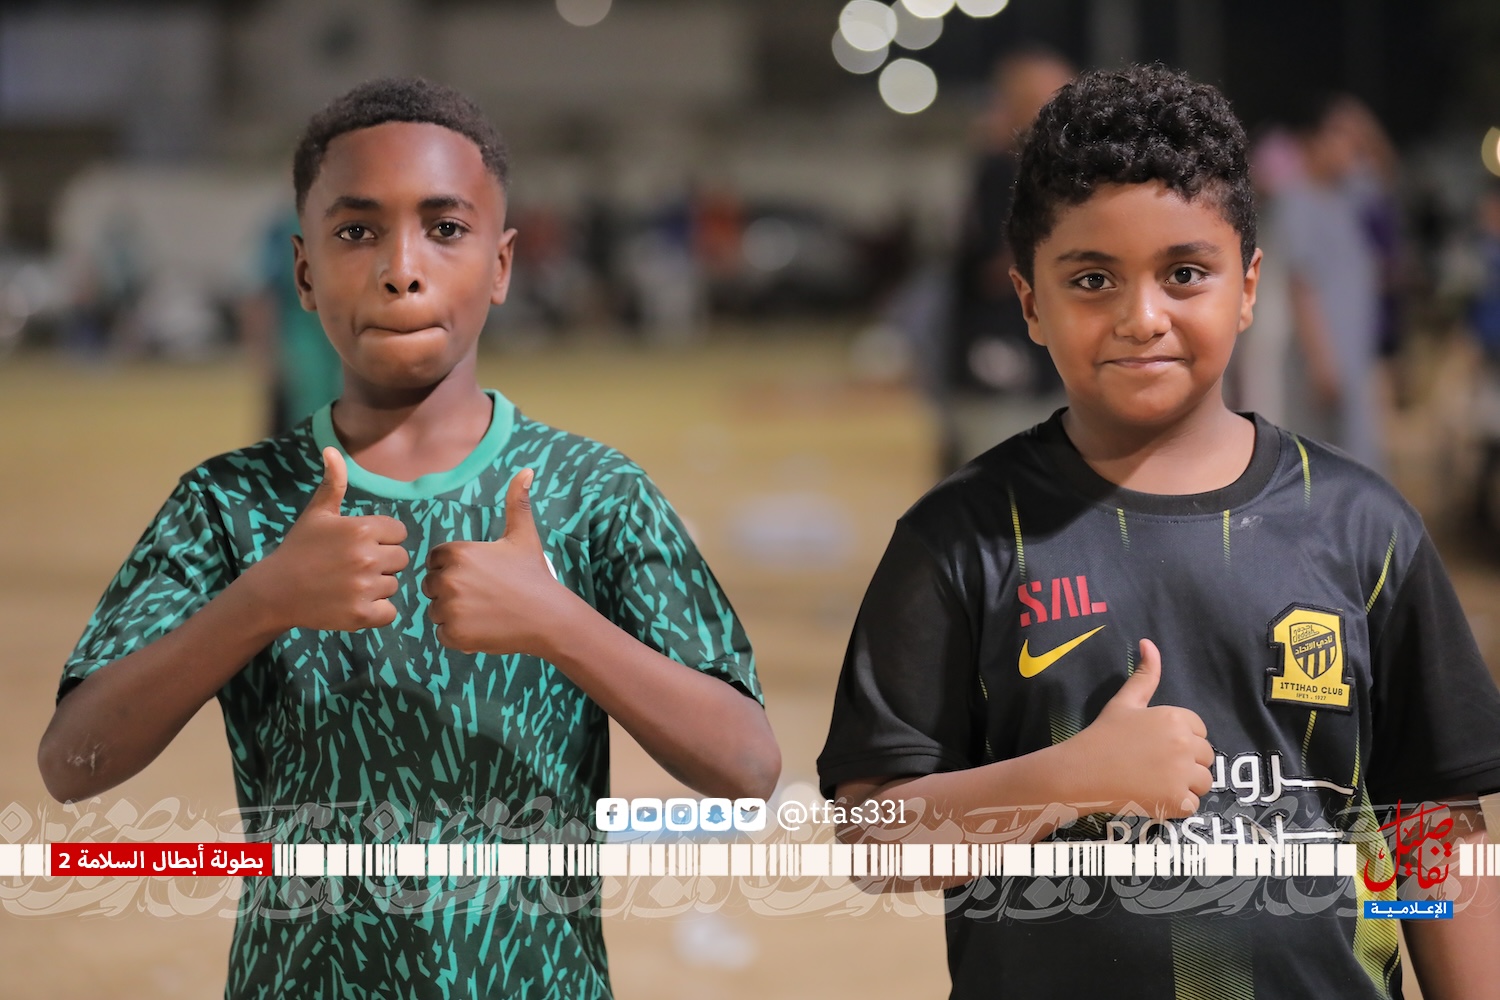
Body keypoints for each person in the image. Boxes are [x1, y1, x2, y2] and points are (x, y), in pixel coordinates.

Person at [38, 78, 780, 999]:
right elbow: (73, 765)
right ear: (303, 272)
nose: (401, 268)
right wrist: (259, 603)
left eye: (445, 228)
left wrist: (558, 622)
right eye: (357, 231)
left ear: (501, 266)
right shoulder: (231, 502)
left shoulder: (592, 495)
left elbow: (748, 767)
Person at [818, 66, 1500, 999]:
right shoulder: (963, 537)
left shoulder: (1360, 526)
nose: (1142, 318)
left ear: (1248, 286)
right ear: (1029, 302)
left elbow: (1432, 829)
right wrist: (1068, 780)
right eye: (1092, 280)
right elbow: (874, 838)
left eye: (1185, 273)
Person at [939, 47, 1074, 473]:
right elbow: (997, 263)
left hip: (1046, 361)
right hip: (1001, 349)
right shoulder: (1003, 169)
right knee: (999, 483)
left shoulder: (1042, 171)